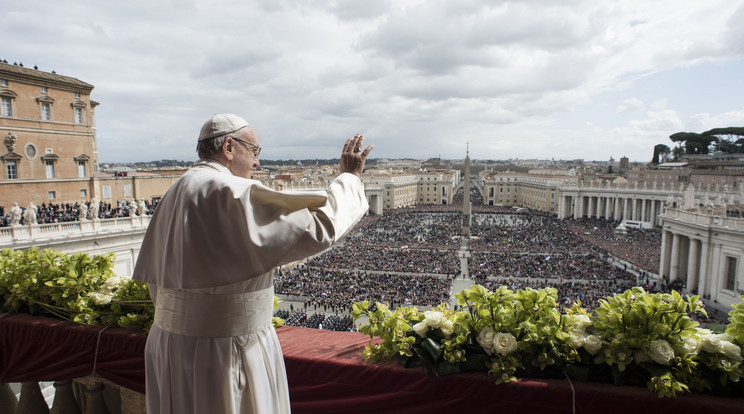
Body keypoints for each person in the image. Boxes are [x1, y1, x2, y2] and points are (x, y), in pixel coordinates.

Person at [133, 113, 373, 414]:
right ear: (229, 147)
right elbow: (319, 228)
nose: (257, 163)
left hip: (168, 345)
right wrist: (349, 177)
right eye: (254, 151)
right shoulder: (229, 191)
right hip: (226, 349)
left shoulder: (175, 191)